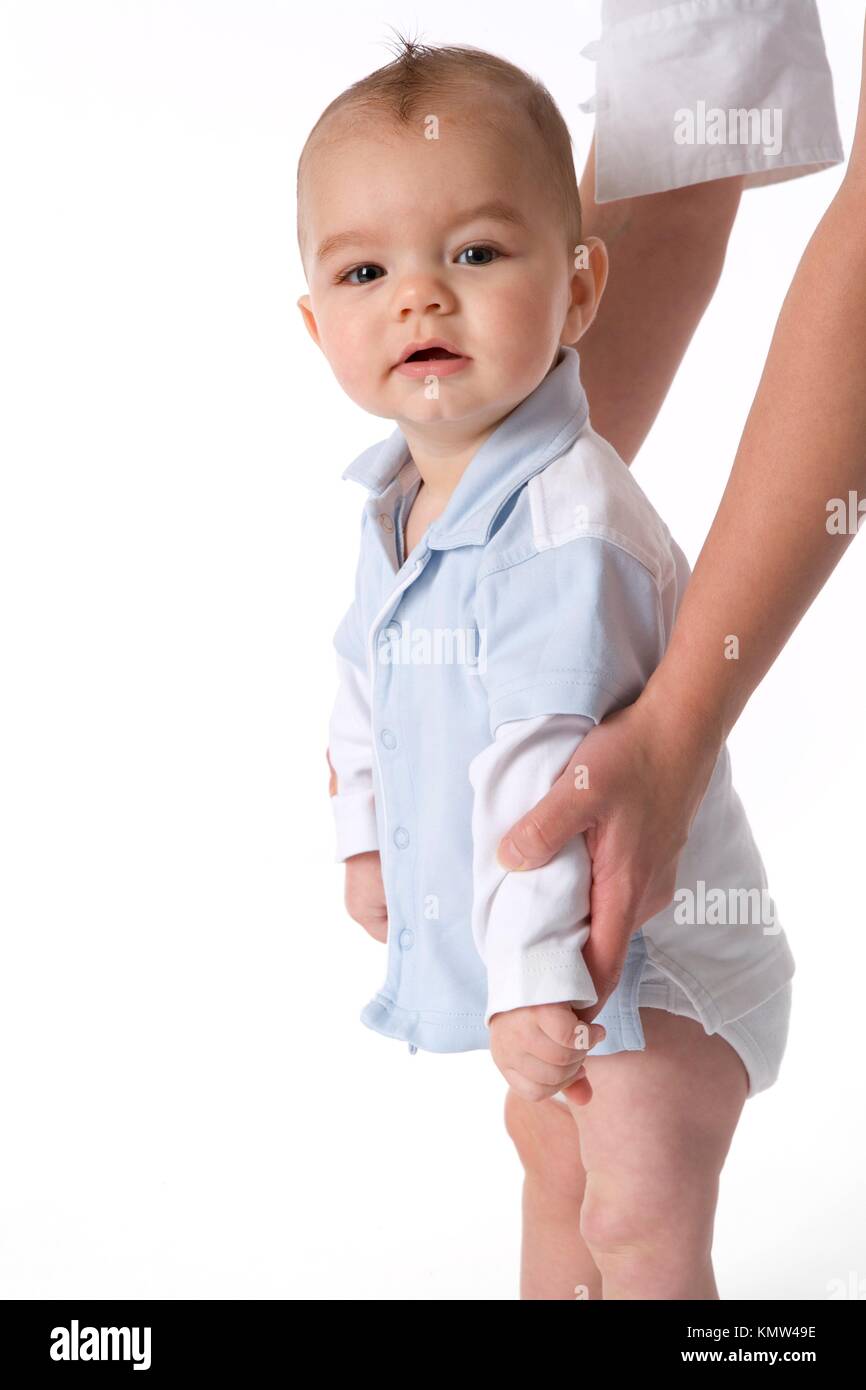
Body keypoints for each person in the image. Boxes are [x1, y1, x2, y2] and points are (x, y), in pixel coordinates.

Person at [299, 32, 805, 1300]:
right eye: (367, 270)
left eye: (474, 253)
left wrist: (530, 979)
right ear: (317, 325)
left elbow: (543, 771)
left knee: (634, 1216)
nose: (419, 296)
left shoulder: (560, 528)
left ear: (580, 292)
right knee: (550, 1170)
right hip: (545, 958)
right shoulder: (397, 501)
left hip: (644, 959)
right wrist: (366, 836)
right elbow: (363, 680)